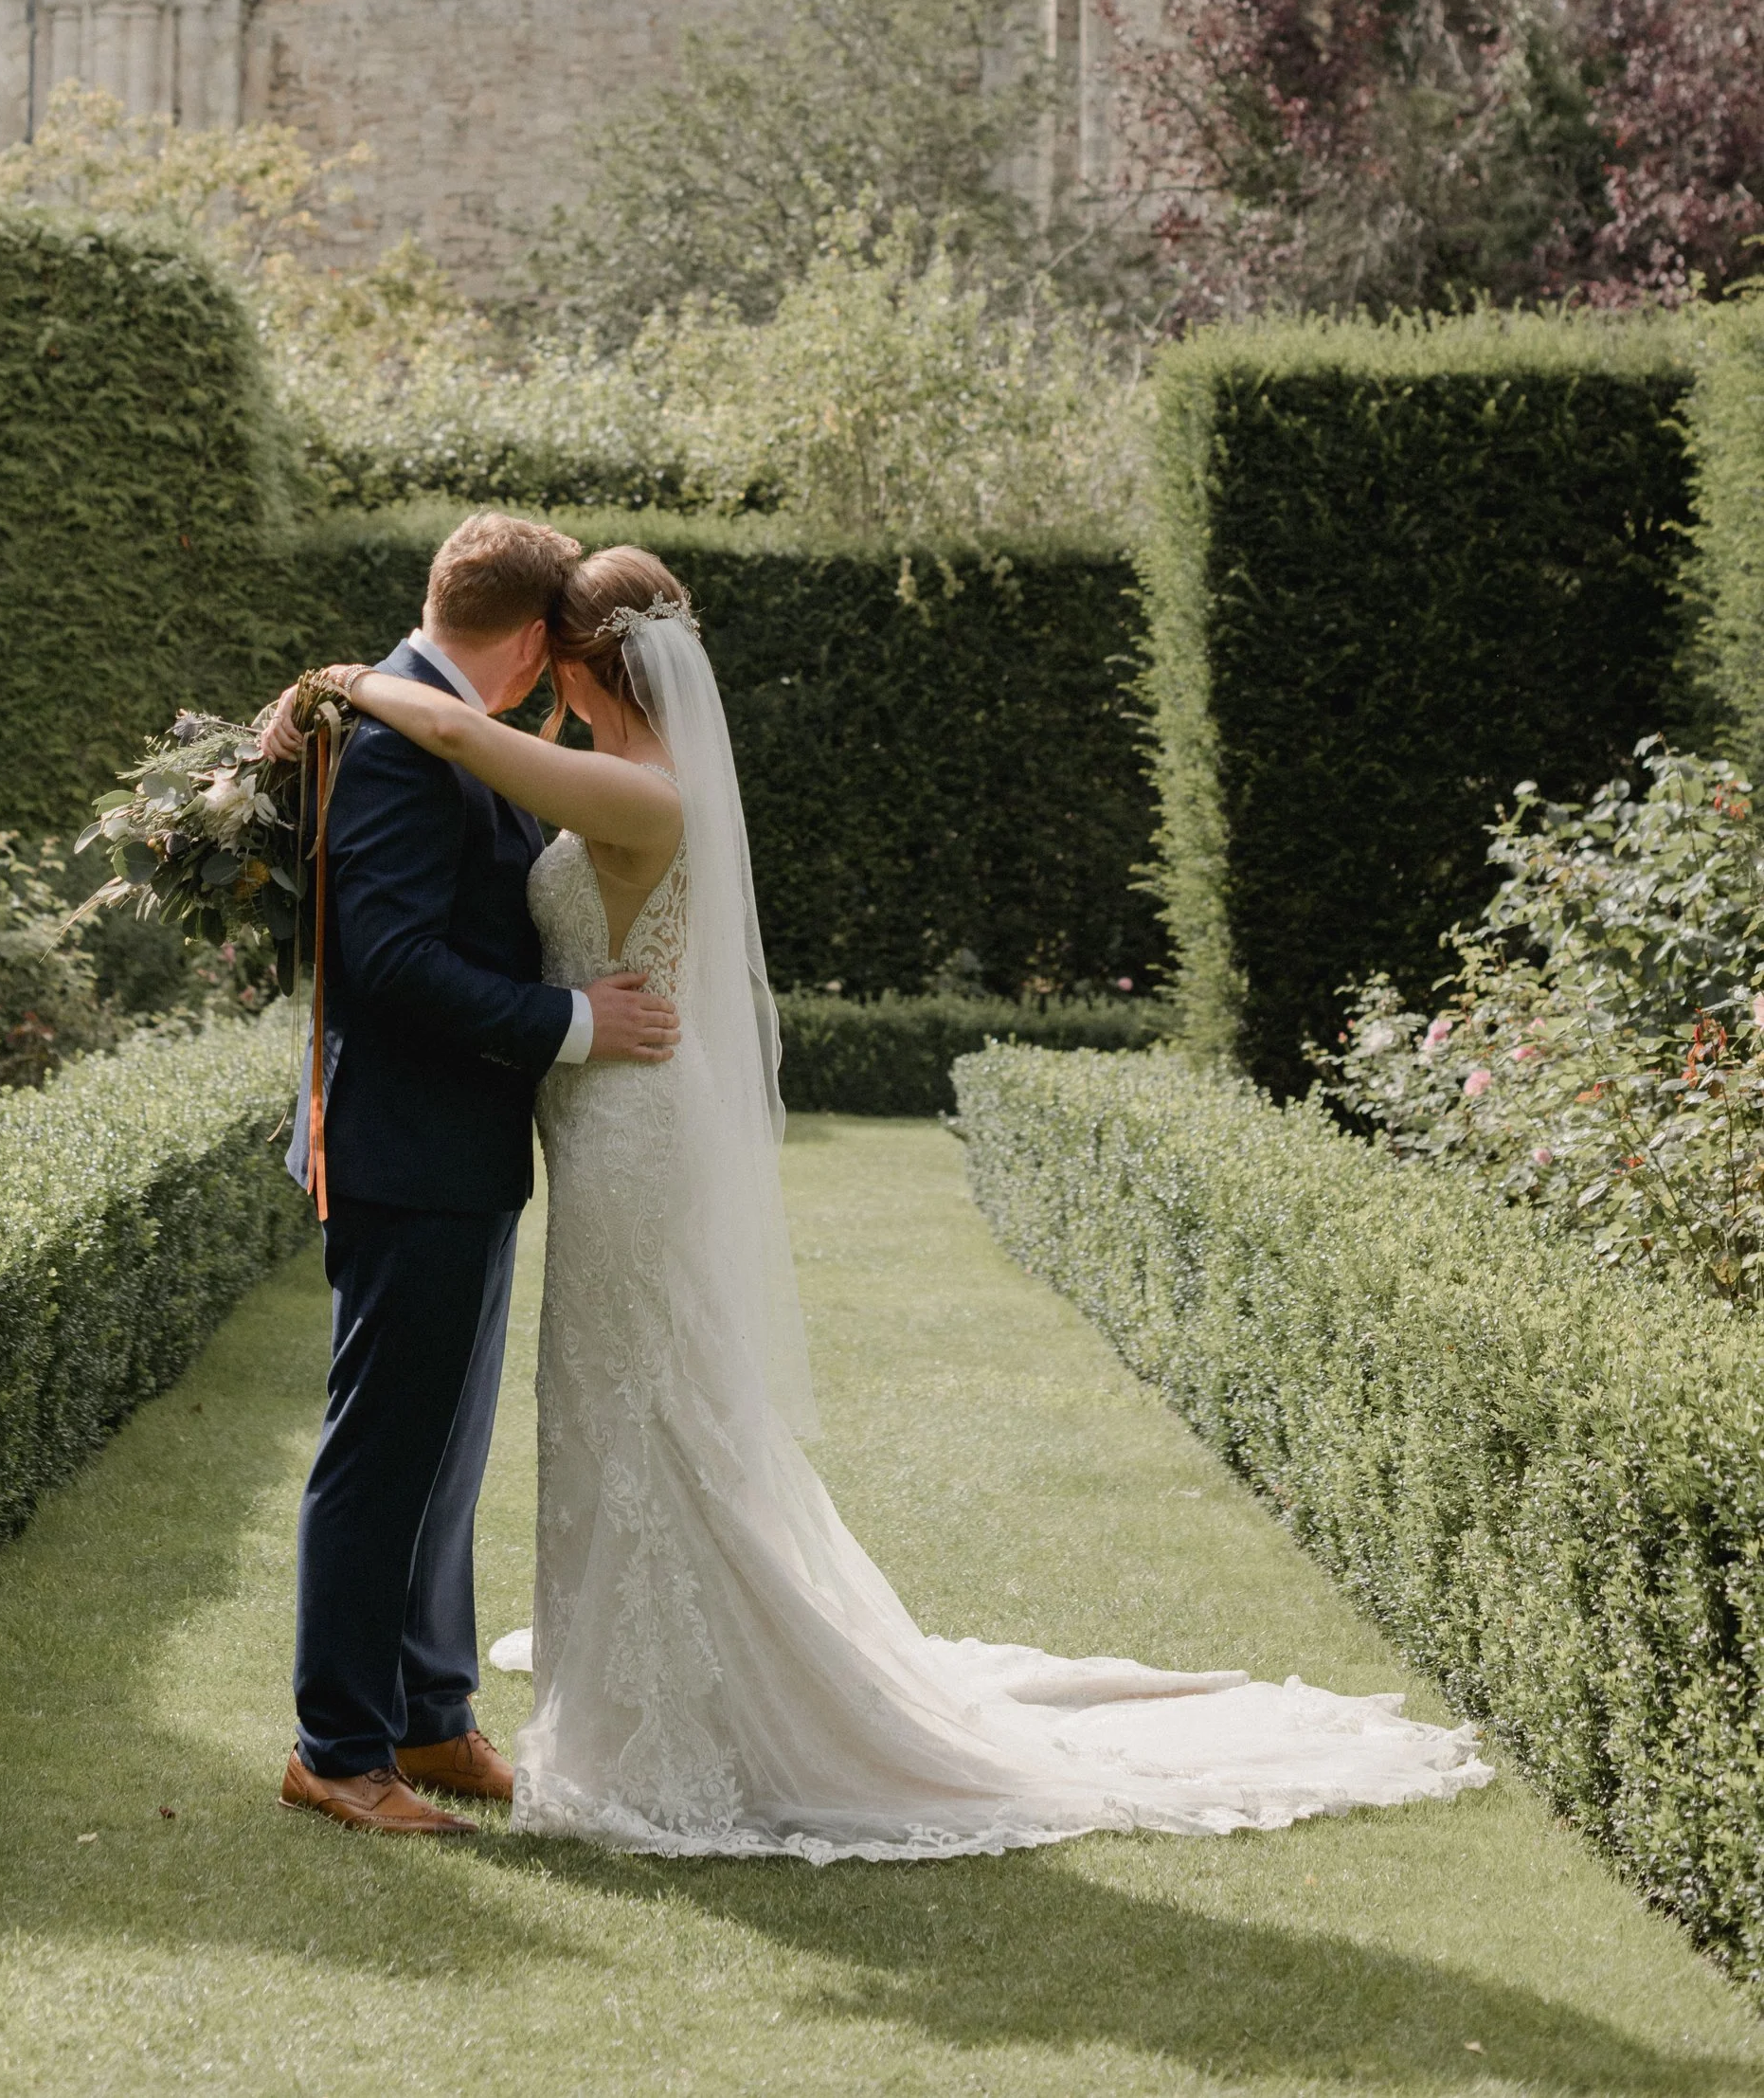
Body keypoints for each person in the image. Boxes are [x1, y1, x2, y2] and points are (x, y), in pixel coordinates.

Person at [301, 539, 1493, 1862]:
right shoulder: (578, 761)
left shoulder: (603, 777)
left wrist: (363, 682)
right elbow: (421, 909)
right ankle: (398, 1725)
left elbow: (467, 748)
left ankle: (493, 1713)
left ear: (576, 663)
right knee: (544, 1425)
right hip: (553, 1132)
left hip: (617, 1135)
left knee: (615, 1419)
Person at [271, 511, 682, 1841]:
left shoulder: (449, 720)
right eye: (551, 646)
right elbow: (385, 959)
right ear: (520, 637)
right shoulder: (400, 736)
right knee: (383, 1451)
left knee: (446, 1452)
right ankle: (338, 1746)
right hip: (406, 1144)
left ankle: (431, 1714)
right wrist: (572, 1025)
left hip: (466, 1147)